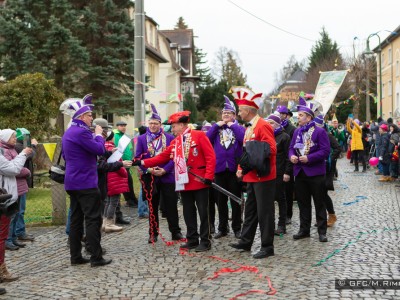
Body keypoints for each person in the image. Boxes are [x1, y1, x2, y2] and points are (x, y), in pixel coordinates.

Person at [134, 111, 216, 252]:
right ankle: (192, 238)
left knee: (203, 212)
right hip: (184, 181)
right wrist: (140, 161)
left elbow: (210, 157)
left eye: (173, 126)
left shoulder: (199, 135)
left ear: (182, 125)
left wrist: (209, 176)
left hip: (200, 180)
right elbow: (162, 157)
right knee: (188, 211)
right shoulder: (176, 141)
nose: (171, 129)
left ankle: (205, 240)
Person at [62, 94, 111, 267]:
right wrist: (99, 135)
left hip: (72, 182)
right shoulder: (82, 132)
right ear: (82, 117)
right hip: (85, 182)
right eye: (90, 115)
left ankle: (75, 256)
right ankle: (96, 257)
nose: (92, 118)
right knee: (93, 219)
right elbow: (99, 149)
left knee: (76, 220)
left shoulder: (69, 131)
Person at [229, 87, 277, 259]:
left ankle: (267, 246)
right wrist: (242, 168)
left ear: (248, 111)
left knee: (265, 212)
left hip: (263, 177)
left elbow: (271, 148)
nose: (239, 113)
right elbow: (246, 151)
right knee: (250, 211)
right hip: (252, 176)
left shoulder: (263, 125)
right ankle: (246, 240)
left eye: (240, 110)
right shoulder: (249, 127)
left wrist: (255, 155)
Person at [135, 104, 183, 243]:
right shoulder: (142, 139)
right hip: (150, 177)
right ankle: (153, 233)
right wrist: (148, 170)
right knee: (152, 206)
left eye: (155, 123)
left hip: (166, 175)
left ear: (160, 124)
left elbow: (174, 156)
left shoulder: (168, 137)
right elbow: (138, 158)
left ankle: (175, 232)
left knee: (171, 205)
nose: (153, 126)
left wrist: (165, 170)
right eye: (150, 123)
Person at [289, 97, 330, 242]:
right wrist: (292, 156)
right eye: (298, 115)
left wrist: (310, 158)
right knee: (303, 203)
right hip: (300, 172)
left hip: (315, 173)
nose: (298, 117)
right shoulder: (296, 132)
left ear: (309, 117)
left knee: (319, 202)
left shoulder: (319, 132)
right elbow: (291, 148)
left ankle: (322, 231)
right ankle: (304, 230)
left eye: (300, 115)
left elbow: (325, 151)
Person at [206, 96, 245, 239]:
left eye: (229, 113)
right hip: (220, 169)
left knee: (235, 199)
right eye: (224, 113)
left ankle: (237, 227)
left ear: (234, 115)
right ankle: (222, 228)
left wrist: (233, 126)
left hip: (235, 170)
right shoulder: (217, 129)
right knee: (220, 201)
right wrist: (216, 126)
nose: (226, 115)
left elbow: (243, 139)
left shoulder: (238, 128)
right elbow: (207, 139)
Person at [0, 133, 32, 286]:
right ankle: (1, 271)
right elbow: (13, 169)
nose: (15, 139)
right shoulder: (3, 152)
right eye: (12, 136)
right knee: (1, 237)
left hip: (7, 196)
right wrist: (23, 155)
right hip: (3, 199)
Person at [265, 113, 291, 236]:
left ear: (277, 124)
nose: (269, 125)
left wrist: (287, 172)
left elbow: (288, 156)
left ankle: (282, 225)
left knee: (281, 198)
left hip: (280, 172)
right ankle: (270, 224)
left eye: (271, 123)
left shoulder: (284, 137)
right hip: (267, 172)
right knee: (269, 199)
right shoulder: (266, 136)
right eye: (268, 122)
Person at [315, 115, 341, 227]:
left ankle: (332, 215)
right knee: (318, 194)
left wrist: (329, 157)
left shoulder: (327, 135)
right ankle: (322, 217)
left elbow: (338, 148)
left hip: (327, 168)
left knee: (323, 193)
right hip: (317, 167)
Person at [14, 130, 37, 242]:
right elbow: (30, 154)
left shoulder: (17, 146)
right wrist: (33, 145)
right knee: (19, 210)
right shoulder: (18, 147)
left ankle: (17, 233)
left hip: (20, 184)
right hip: (17, 184)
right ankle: (19, 232)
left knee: (19, 210)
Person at [275, 105, 296, 226]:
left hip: (287, 164)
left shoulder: (291, 129)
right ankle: (280, 215)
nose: (280, 115)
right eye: (279, 113)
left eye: (282, 114)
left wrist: (289, 169)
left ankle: (288, 215)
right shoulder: (274, 129)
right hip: (277, 166)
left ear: (286, 115)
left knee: (288, 192)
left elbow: (291, 149)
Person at [114, 121, 138, 208]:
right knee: (126, 182)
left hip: (127, 162)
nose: (123, 127)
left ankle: (132, 199)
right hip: (121, 163)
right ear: (117, 127)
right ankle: (129, 200)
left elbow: (129, 148)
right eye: (121, 126)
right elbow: (118, 149)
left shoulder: (125, 136)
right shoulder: (116, 135)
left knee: (129, 181)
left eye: (124, 126)